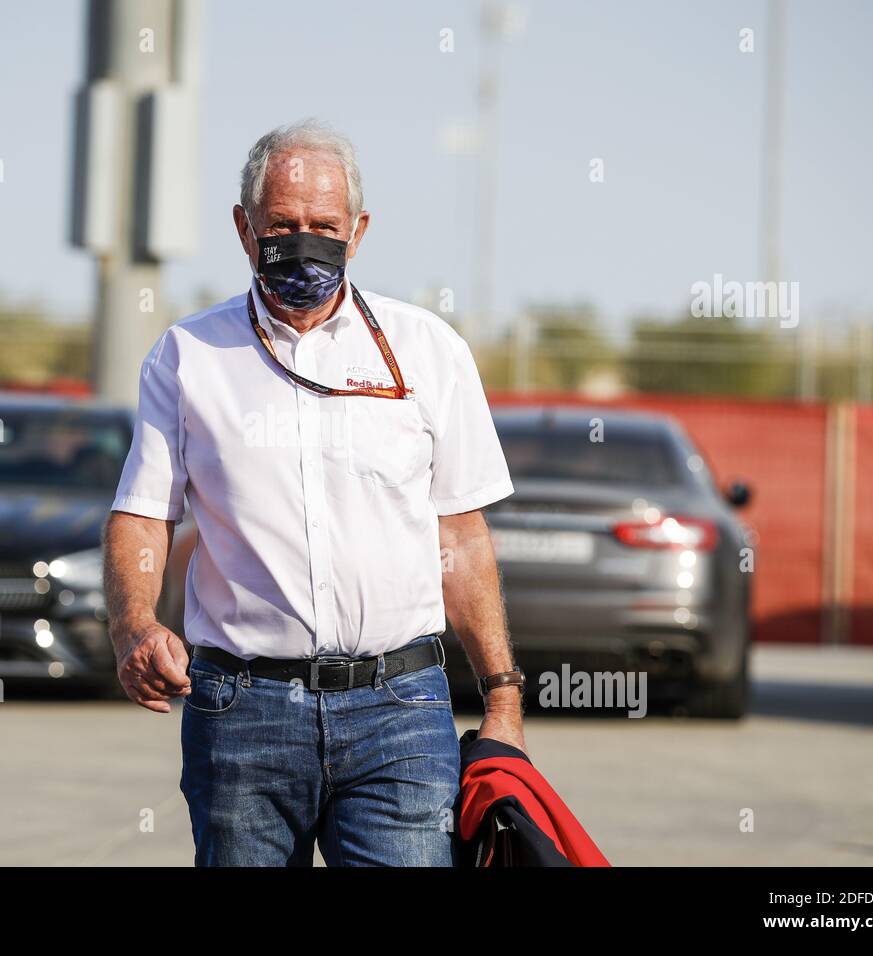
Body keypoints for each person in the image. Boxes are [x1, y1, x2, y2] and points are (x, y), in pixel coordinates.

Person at [104, 119, 525, 866]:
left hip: (401, 709)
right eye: (282, 226)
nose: (304, 242)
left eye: (324, 226)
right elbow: (142, 515)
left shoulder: (427, 351)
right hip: (241, 713)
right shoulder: (189, 356)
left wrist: (502, 700)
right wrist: (134, 625)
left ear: (358, 230)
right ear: (244, 228)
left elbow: (460, 538)